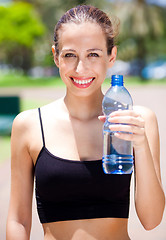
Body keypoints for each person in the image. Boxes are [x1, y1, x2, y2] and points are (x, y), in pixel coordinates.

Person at [6, 5, 165, 240]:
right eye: (70, 55)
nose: (81, 68)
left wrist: (139, 145)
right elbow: (18, 220)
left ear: (111, 56)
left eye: (93, 54)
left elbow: (152, 221)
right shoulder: (28, 125)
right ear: (55, 56)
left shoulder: (138, 120)